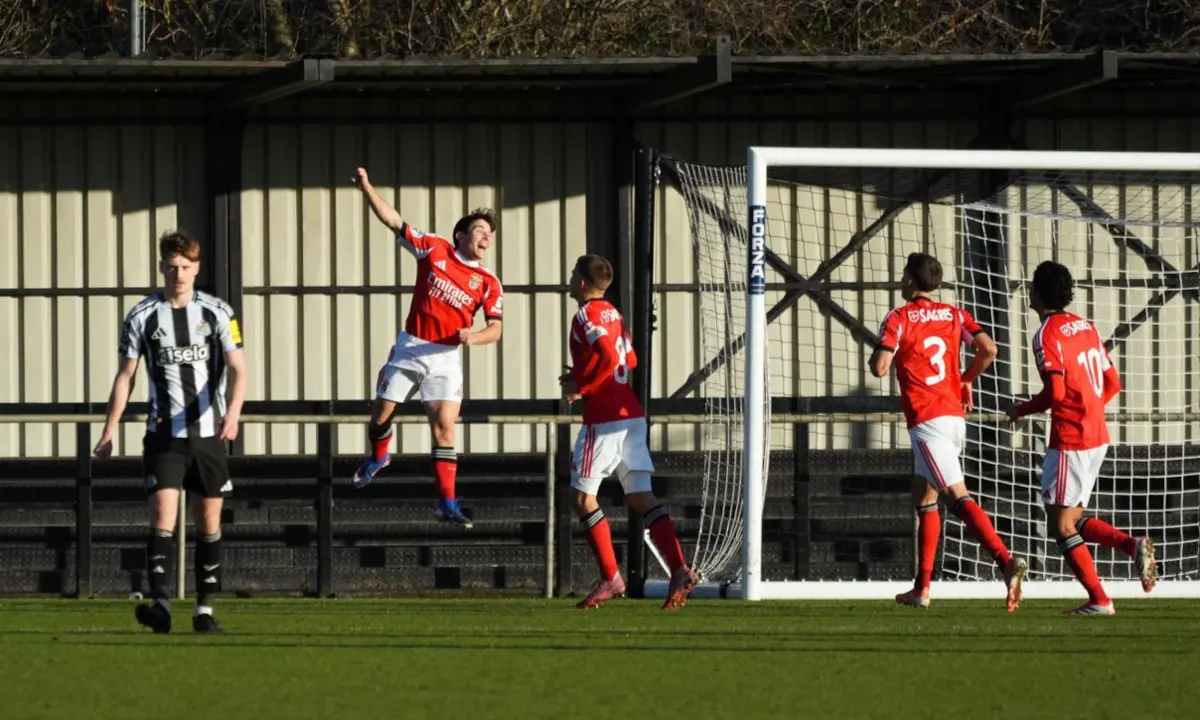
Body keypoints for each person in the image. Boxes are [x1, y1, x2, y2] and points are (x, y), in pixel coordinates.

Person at [94, 231, 246, 633]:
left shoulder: (218, 312)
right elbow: (125, 377)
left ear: (197, 268)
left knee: (208, 522)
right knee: (163, 514)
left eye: (185, 267)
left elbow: (238, 369)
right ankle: (161, 605)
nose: (178, 274)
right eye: (172, 266)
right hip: (164, 435)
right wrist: (108, 431)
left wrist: (232, 414)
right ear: (162, 266)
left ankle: (204, 611)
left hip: (209, 435)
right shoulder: (142, 316)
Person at [870, 252, 1028, 612]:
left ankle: (1005, 561)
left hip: (928, 421)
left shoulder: (899, 317)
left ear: (910, 281)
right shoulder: (955, 314)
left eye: (903, 275)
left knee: (956, 495)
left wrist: (877, 356)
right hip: (954, 418)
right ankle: (921, 589)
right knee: (924, 498)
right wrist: (965, 380)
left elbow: (880, 367)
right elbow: (989, 349)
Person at [349, 167, 504, 528]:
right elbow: (395, 222)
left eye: (490, 234)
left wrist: (473, 337)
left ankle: (447, 503)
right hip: (411, 348)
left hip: (446, 359)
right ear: (461, 235)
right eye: (480, 230)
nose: (486, 237)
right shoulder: (435, 249)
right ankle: (380, 457)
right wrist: (367, 187)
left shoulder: (489, 282)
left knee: (444, 427)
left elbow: (495, 329)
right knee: (380, 416)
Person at [1007, 260, 1157, 615]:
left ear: (1038, 293)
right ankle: (1132, 545)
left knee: (1060, 525)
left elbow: (1056, 394)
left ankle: (1100, 599)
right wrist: (1090, 408)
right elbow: (1113, 383)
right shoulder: (1086, 327)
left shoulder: (1046, 335)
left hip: (1071, 438)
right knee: (1070, 519)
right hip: (1097, 435)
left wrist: (1022, 409)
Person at [560, 254, 698, 610]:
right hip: (632, 413)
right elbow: (630, 359)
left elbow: (608, 356)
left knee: (581, 498)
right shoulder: (614, 314)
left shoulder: (585, 315)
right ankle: (679, 568)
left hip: (604, 418)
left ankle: (611, 577)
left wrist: (583, 386)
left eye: (574, 272)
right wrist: (587, 375)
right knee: (640, 498)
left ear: (580, 282)